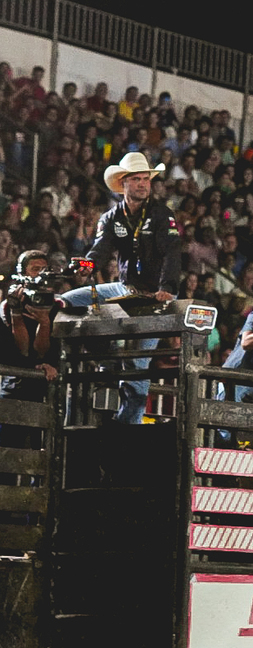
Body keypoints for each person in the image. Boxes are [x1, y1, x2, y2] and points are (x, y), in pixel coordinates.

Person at [60, 152, 181, 424]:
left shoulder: (162, 215)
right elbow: (100, 250)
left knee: (137, 362)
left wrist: (167, 288)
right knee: (66, 301)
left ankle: (128, 425)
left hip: (155, 295)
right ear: (123, 183)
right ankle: (103, 358)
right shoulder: (112, 217)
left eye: (146, 179)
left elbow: (172, 253)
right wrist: (87, 266)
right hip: (125, 288)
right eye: (136, 179)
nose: (143, 184)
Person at [0, 250, 60, 450]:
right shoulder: (9, 304)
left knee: (42, 447)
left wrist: (45, 322)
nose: (40, 274)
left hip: (45, 388)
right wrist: (16, 313)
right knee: (9, 446)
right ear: (22, 273)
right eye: (35, 269)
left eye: (44, 269)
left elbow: (44, 351)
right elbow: (22, 350)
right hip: (15, 385)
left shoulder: (55, 304)